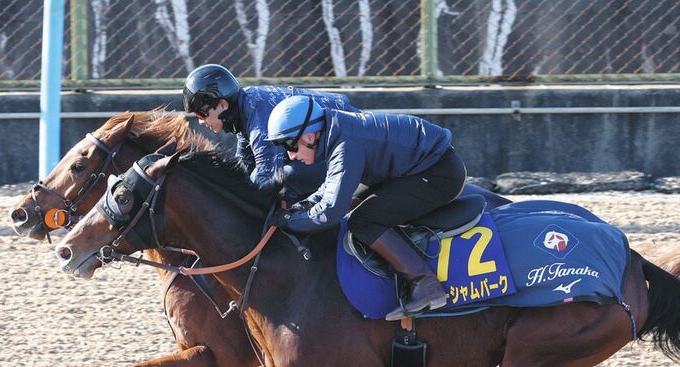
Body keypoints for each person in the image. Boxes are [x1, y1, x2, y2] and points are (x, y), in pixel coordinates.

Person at [265, 96, 467, 320]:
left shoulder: (344, 144)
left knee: (364, 221)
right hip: (419, 167)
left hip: (439, 173)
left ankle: (425, 284)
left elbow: (330, 213)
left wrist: (287, 221)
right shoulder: (336, 132)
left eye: (290, 145)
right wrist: (301, 208)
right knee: (355, 203)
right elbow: (331, 188)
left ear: (310, 135)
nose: (290, 155)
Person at [182, 64, 357, 202]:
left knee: (285, 179)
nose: (200, 121)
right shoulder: (245, 108)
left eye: (201, 113)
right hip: (328, 146)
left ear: (223, 105)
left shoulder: (259, 116)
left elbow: (269, 178)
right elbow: (243, 168)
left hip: (348, 143)